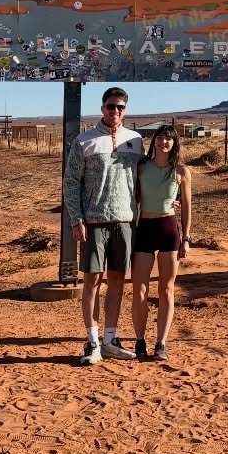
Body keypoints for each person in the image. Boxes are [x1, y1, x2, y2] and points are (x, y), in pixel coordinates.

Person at [62, 86, 144, 365]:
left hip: (125, 221)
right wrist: (77, 219)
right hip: (94, 221)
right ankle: (92, 341)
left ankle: (110, 339)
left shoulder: (135, 140)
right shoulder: (84, 141)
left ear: (126, 110)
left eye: (120, 107)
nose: (115, 111)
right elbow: (71, 182)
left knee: (118, 282)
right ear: (102, 108)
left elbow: (143, 180)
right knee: (92, 282)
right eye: (111, 106)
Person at [130, 124, 192, 362]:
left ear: (174, 144)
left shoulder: (182, 172)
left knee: (166, 289)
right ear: (153, 140)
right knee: (140, 290)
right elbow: (132, 198)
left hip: (168, 230)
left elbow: (186, 208)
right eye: (160, 138)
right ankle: (139, 341)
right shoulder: (142, 167)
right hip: (144, 229)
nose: (163, 142)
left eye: (168, 139)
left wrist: (185, 238)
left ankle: (161, 343)